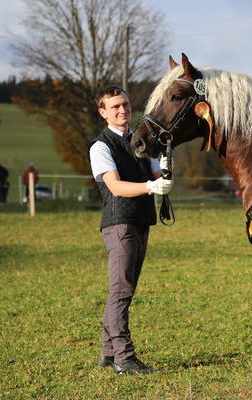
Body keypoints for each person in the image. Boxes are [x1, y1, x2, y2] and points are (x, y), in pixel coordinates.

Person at [88, 86, 173, 375]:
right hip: (119, 224)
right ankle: (125, 358)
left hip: (140, 220)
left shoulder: (138, 140)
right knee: (121, 291)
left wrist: (164, 168)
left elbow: (152, 174)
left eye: (125, 104)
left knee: (124, 290)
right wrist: (151, 187)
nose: (122, 110)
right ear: (103, 112)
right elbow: (115, 186)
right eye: (115, 107)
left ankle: (108, 353)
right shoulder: (100, 147)